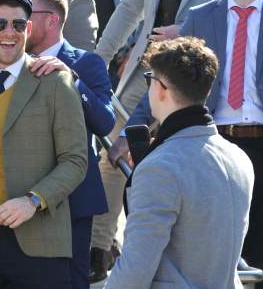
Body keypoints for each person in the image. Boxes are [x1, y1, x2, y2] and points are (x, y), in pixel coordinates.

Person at [125, 0, 263, 289]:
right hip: (210, 144)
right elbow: (169, 74)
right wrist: (132, 128)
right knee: (210, 249)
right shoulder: (202, 17)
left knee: (260, 249)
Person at [91, 0, 228, 280]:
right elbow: (129, 8)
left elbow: (225, 19)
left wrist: (184, 31)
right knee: (110, 154)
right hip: (142, 74)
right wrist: (98, 59)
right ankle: (99, 249)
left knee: (163, 163)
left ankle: (156, 255)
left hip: (189, 82)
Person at [0, 0, 88, 288]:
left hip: (38, 239)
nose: (9, 33)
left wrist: (33, 200)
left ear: (29, 29)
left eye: (18, 25)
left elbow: (75, 160)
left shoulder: (56, 84)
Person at [105, 37, 254, 288]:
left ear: (161, 88)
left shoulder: (160, 167)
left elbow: (135, 268)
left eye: (149, 79)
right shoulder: (238, 156)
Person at [22, 0, 115, 289]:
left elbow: (104, 121)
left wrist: (72, 80)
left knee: (71, 281)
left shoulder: (86, 63)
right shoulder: (10, 63)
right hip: (22, 194)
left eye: (26, 16)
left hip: (73, 197)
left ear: (50, 21)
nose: (18, 25)